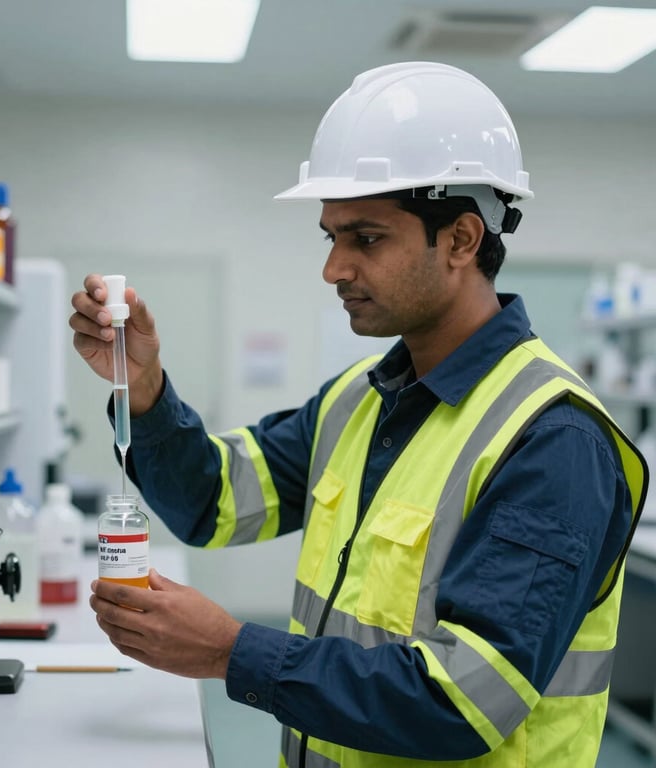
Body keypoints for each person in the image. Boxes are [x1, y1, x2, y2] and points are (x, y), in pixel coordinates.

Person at [69, 62, 647, 768]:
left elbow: (461, 703)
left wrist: (230, 650)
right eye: (331, 237)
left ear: (462, 240)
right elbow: (211, 500)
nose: (334, 268)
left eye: (366, 238)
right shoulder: (358, 399)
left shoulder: (553, 439)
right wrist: (145, 388)